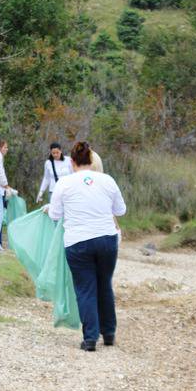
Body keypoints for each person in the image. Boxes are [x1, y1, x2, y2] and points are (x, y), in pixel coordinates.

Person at [48, 141, 127, 351]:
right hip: (106, 239)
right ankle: (109, 333)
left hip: (78, 241)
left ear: (72, 161)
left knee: (85, 288)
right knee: (104, 284)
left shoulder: (64, 183)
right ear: (92, 160)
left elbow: (55, 214)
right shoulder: (107, 180)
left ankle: (90, 337)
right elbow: (120, 210)